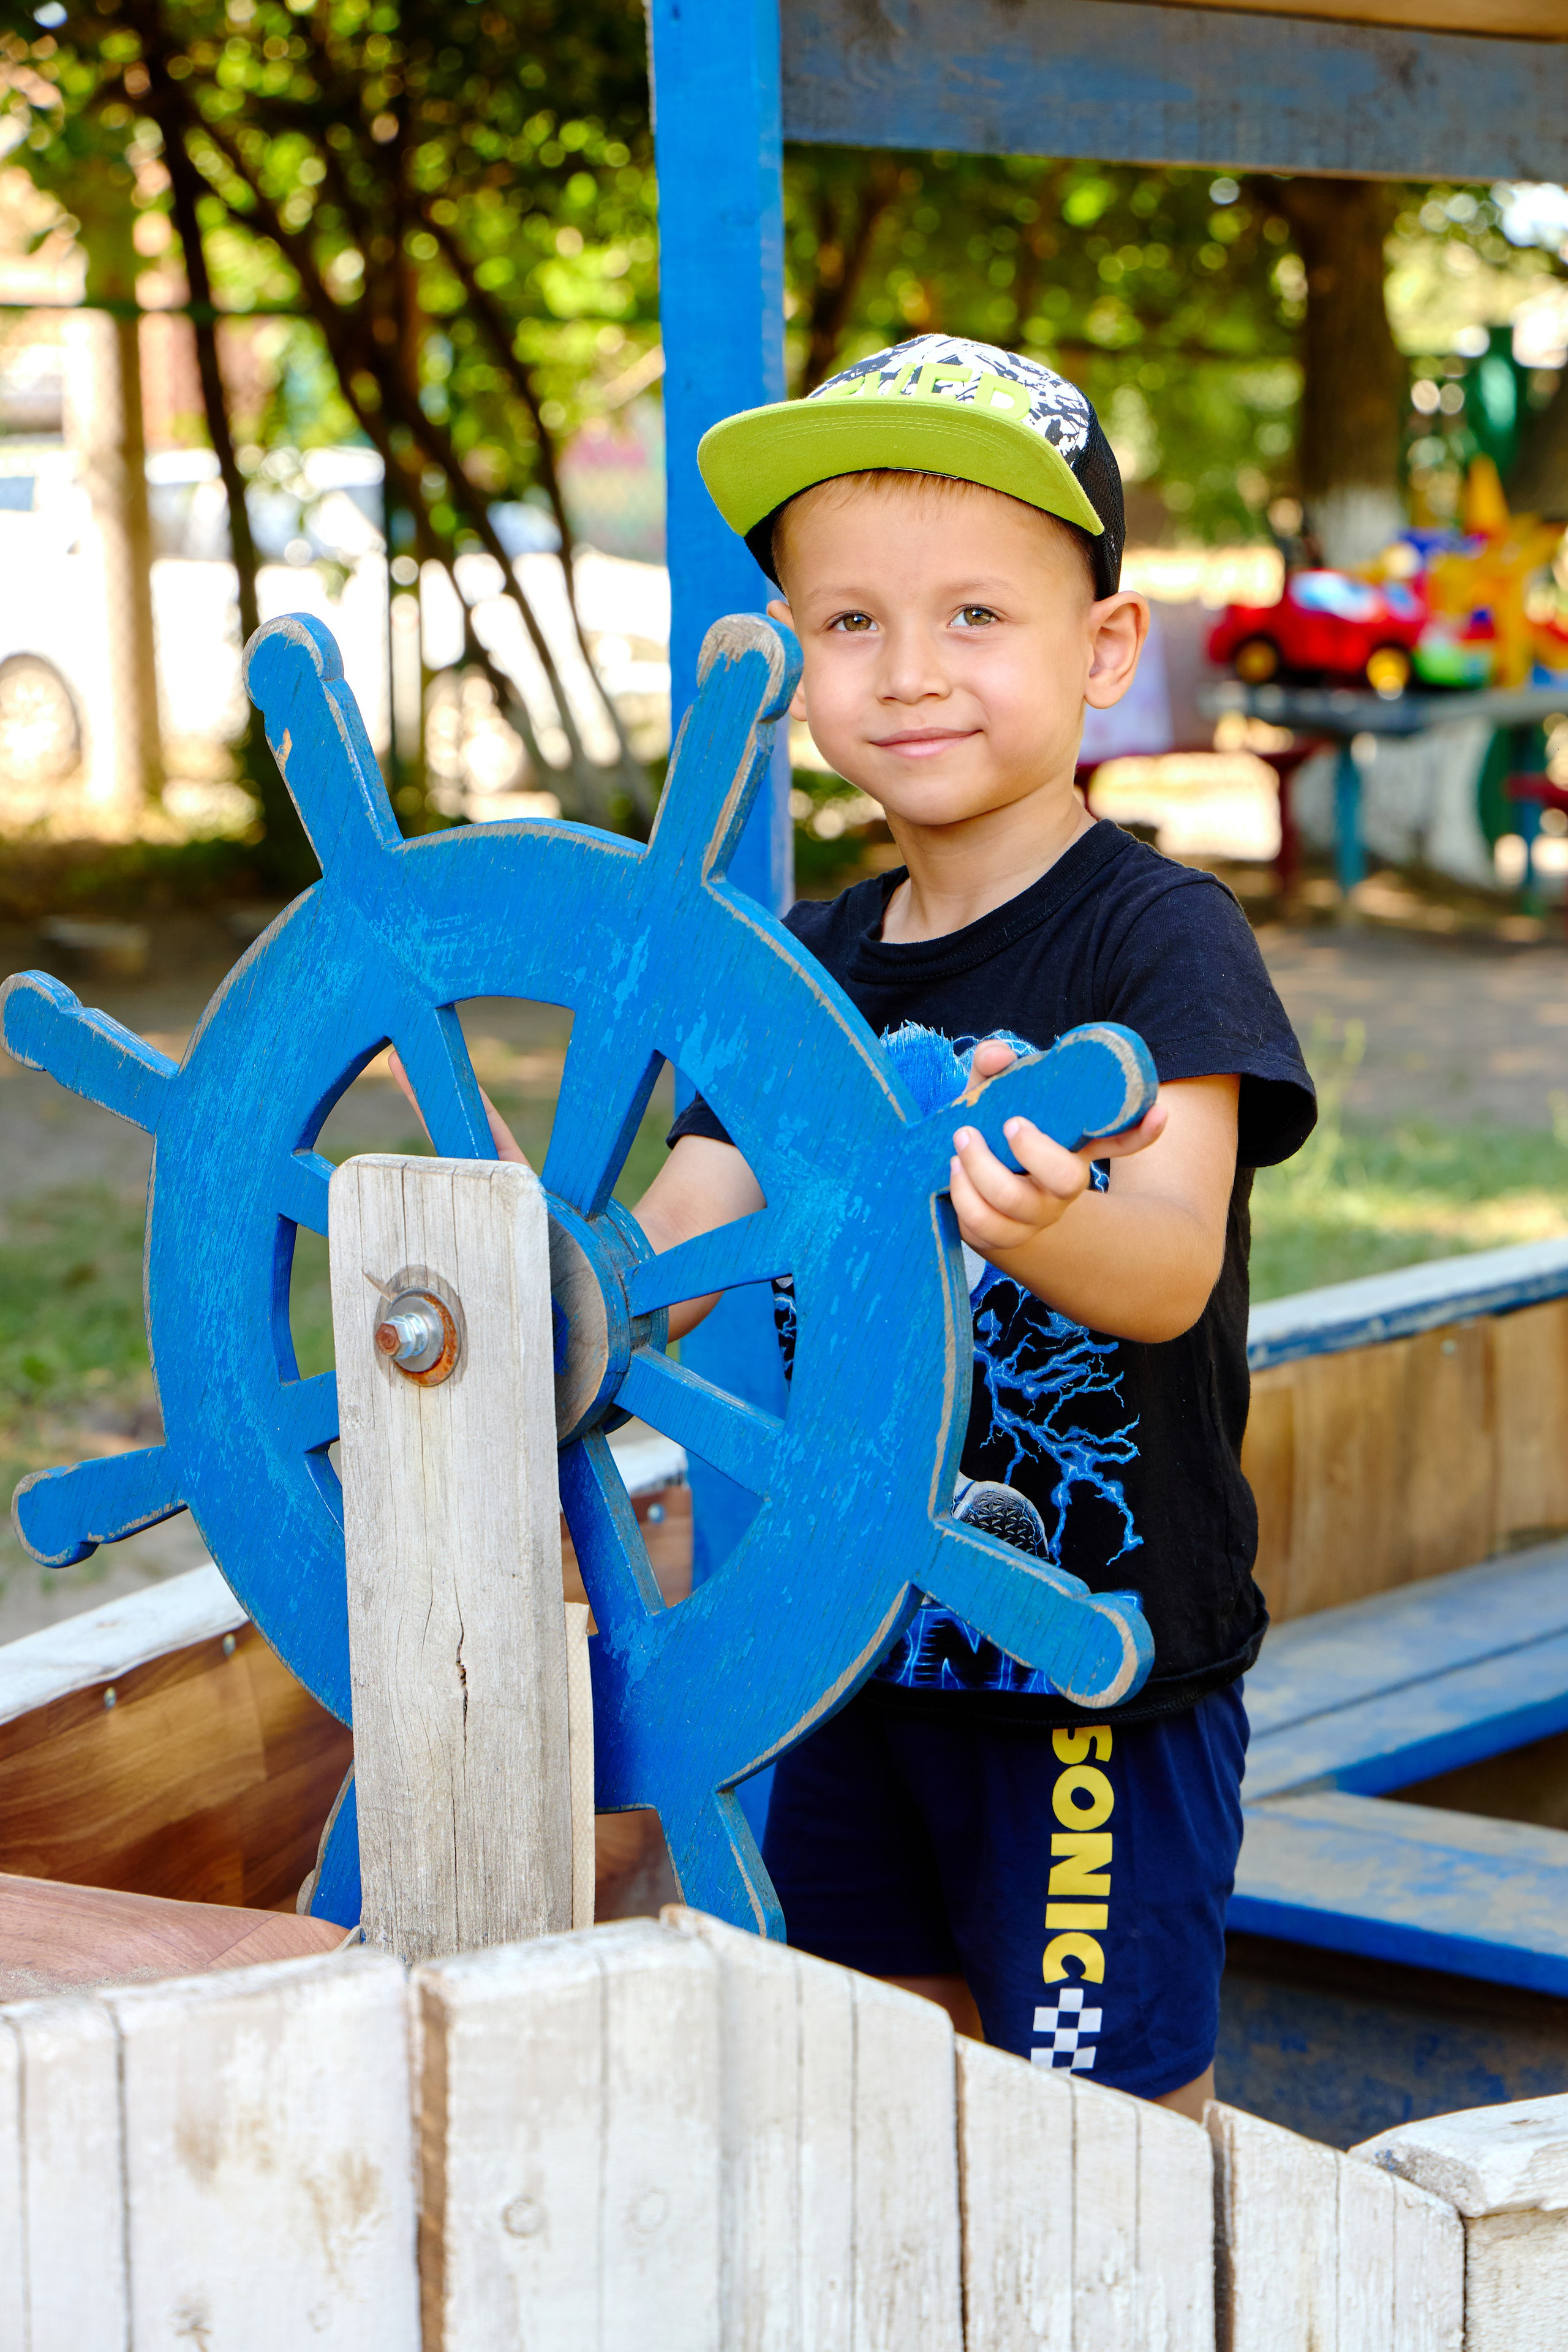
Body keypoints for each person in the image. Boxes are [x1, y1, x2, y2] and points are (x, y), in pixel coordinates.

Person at [405, 332, 1315, 2122]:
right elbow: (677, 1234)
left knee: (1108, 2146)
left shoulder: (1158, 942)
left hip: (1093, 1690)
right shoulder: (803, 969)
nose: (909, 673)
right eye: (850, 624)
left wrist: (1052, 1221)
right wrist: (524, 1265)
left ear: (1105, 651)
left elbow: (1173, 1258)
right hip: (840, 1661)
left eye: (977, 616)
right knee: (873, 2119)